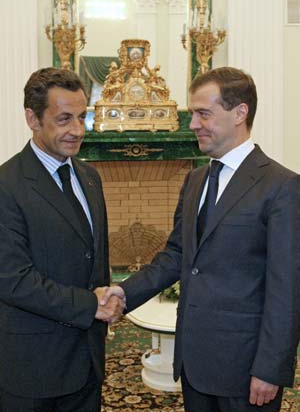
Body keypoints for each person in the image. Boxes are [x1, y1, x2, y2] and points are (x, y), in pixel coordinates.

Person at [101, 66, 300, 412]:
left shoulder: (282, 187)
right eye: (193, 113)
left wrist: (271, 368)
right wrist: (124, 291)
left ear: (240, 113)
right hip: (194, 363)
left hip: (246, 368)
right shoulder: (195, 180)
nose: (192, 123)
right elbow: (177, 255)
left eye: (203, 113)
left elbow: (288, 290)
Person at [0, 67, 124, 412]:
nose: (77, 130)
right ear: (32, 118)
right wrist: (91, 305)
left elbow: (94, 259)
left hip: (88, 362)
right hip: (33, 369)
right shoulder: (6, 186)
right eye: (64, 118)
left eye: (82, 117)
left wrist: (109, 298)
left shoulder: (90, 176)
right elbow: (12, 280)